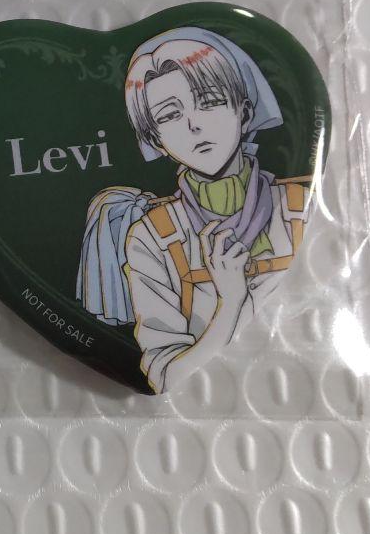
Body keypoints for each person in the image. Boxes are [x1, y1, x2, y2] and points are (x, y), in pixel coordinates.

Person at [76, 27, 313, 393]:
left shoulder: (299, 207)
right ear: (156, 140)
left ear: (244, 112)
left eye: (209, 101)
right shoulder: (152, 236)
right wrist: (229, 302)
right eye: (170, 115)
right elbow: (164, 377)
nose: (194, 124)